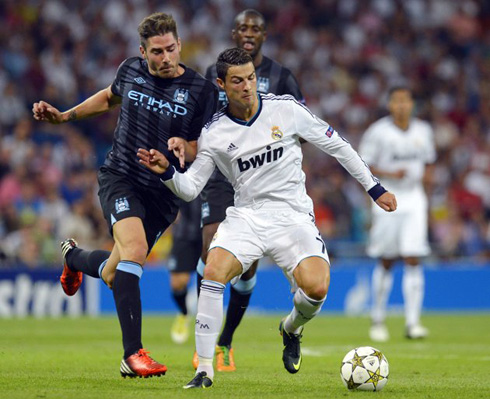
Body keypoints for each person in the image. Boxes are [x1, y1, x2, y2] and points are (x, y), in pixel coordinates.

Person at [137, 48, 397, 389]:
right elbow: (190, 188)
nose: (247, 86)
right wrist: (169, 172)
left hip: (293, 216)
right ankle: (204, 369)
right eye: (237, 81)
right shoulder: (215, 133)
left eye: (250, 78)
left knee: (317, 288)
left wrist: (374, 188)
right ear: (221, 84)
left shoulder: (285, 109)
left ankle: (291, 328)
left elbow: (338, 146)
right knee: (213, 270)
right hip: (247, 216)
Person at [32, 12, 218, 377]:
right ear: (142, 51)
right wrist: (65, 117)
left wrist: (184, 147)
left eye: (170, 49)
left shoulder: (202, 91)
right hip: (121, 177)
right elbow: (107, 97)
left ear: (179, 45)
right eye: (156, 52)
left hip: (164, 195)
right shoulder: (130, 70)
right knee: (134, 252)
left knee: (117, 273)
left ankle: (75, 260)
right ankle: (132, 355)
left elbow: (210, 145)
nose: (164, 58)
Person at [193, 8, 305, 372]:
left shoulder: (282, 77)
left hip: (261, 180)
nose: (248, 33)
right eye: (242, 27)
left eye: (255, 28)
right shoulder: (215, 74)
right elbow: (204, 123)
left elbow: (299, 125)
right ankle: (205, 343)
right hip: (223, 174)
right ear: (234, 32)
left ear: (264, 36)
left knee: (248, 265)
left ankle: (226, 340)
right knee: (212, 250)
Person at [358, 86, 436, 342]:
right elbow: (363, 164)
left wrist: (429, 197)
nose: (401, 106)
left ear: (412, 104)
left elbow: (429, 165)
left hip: (414, 199)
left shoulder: (423, 131)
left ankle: (413, 322)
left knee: (414, 257)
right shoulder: (378, 132)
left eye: (406, 101)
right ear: (390, 104)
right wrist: (391, 174)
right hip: (386, 197)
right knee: (386, 259)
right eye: (396, 101)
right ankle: (377, 319)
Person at [168, 197, 202, 344]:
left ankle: (205, 328)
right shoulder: (182, 172)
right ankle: (183, 313)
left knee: (210, 281)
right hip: (184, 232)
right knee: (177, 283)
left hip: (209, 230)